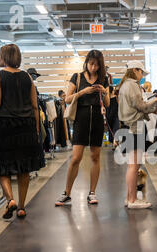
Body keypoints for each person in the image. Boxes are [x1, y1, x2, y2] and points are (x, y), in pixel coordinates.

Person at [0, 44, 45, 221]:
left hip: (6, 125)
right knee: (23, 168)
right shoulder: (27, 77)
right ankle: (22, 207)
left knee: (3, 166)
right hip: (26, 126)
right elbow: (35, 105)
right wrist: (36, 129)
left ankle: (10, 200)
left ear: (5, 57)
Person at [55, 49, 110, 206]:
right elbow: (67, 99)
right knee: (76, 158)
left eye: (97, 65)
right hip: (81, 119)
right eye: (91, 64)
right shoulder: (77, 77)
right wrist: (83, 92)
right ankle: (66, 192)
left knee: (95, 157)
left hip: (98, 120)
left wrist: (104, 92)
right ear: (86, 62)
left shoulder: (103, 78)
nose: (93, 68)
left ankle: (92, 192)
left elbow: (107, 104)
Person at [118, 61, 157, 209]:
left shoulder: (125, 85)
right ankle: (132, 199)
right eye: (141, 72)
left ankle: (130, 197)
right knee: (134, 166)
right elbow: (141, 106)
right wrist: (156, 101)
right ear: (135, 70)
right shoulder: (132, 85)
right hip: (136, 128)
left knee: (132, 165)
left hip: (129, 127)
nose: (142, 76)